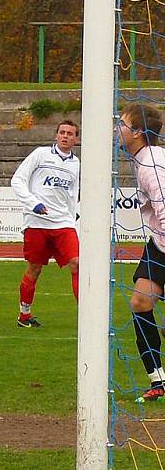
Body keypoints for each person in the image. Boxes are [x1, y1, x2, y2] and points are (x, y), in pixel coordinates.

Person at [10, 120, 80, 328]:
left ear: (76, 139)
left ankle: (86, 318)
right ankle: (24, 315)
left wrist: (73, 215)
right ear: (56, 135)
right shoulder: (40, 154)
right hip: (37, 222)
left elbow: (72, 193)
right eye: (62, 132)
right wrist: (34, 204)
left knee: (77, 263)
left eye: (70, 133)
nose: (65, 136)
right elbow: (17, 180)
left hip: (63, 222)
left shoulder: (76, 164)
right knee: (35, 269)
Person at [117, 103, 165, 402]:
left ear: (137, 132)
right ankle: (158, 380)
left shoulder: (152, 165)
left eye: (121, 124)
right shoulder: (143, 159)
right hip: (160, 243)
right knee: (140, 301)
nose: (116, 129)